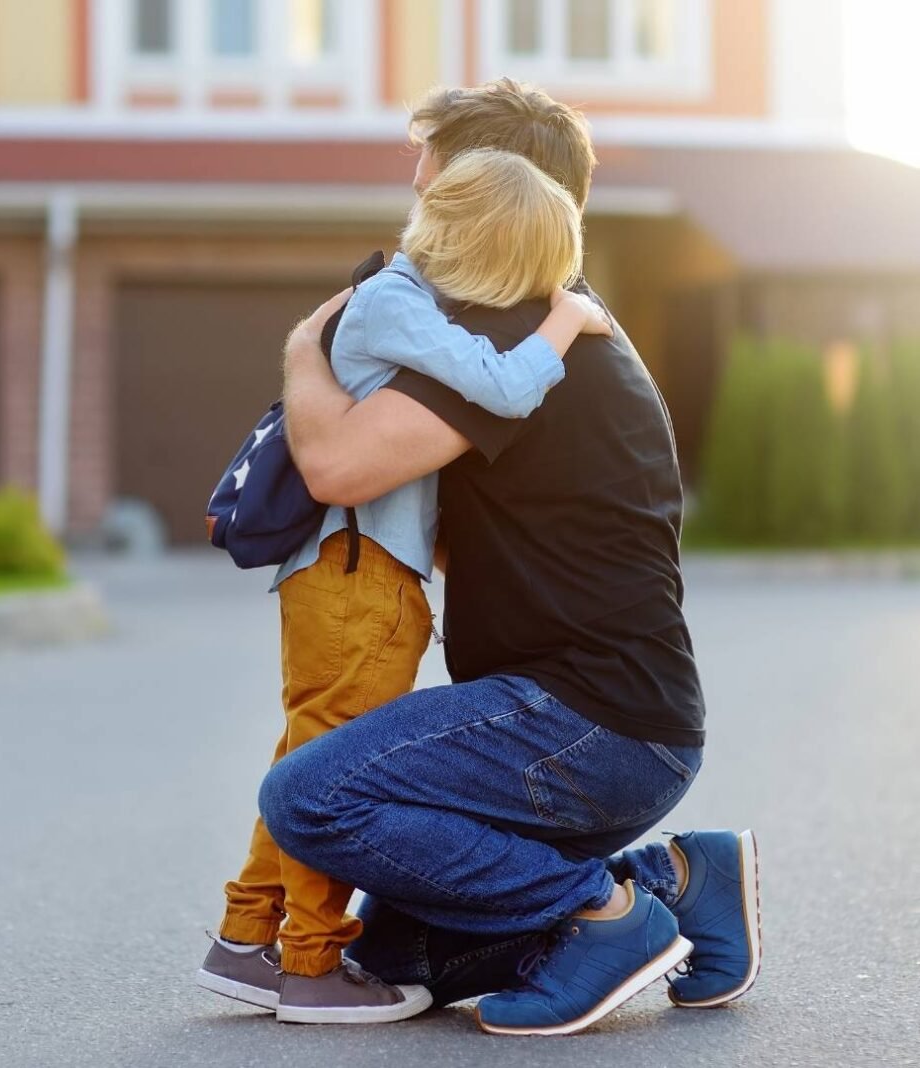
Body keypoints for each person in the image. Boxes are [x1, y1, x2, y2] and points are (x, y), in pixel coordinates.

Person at [253, 79, 762, 1036]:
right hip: (612, 727)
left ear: (490, 184)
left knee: (310, 798)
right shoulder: (550, 320)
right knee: (399, 954)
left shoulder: (508, 330)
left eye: (430, 167)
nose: (415, 186)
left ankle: (603, 915)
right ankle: (681, 879)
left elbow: (335, 464)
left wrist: (305, 344)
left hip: (583, 724)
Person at [198, 146, 614, 1024]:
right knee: (329, 774)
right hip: (358, 577)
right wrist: (567, 322)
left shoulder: (396, 302)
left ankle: (246, 939)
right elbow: (504, 386)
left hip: (355, 575)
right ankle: (308, 961)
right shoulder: (396, 301)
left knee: (307, 754)